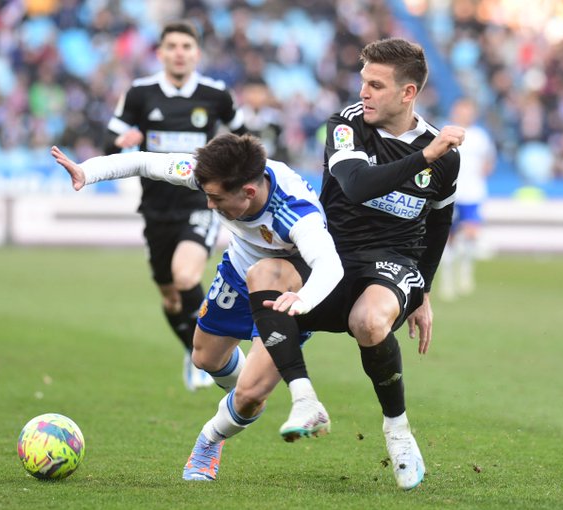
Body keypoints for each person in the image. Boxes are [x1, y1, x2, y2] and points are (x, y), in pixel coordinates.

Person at [179, 37, 465, 491]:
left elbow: (440, 222)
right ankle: (212, 439)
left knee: (369, 321)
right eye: (363, 81)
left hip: (390, 265)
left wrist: (422, 290)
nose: (364, 92)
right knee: (250, 384)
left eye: (376, 85)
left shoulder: (444, 155)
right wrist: (425, 157)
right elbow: (355, 184)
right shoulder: (347, 125)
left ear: (408, 92)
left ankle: (398, 432)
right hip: (327, 258)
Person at [50, 132, 344, 471]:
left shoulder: (295, 214)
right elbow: (145, 162)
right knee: (204, 358)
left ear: (249, 192)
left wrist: (303, 300)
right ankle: (249, 389)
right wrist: (87, 172)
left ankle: (210, 440)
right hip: (239, 272)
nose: (209, 205)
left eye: (216, 198)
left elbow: (331, 265)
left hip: (287, 289)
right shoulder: (210, 173)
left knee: (249, 396)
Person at [103, 21, 247, 392]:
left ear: (197, 53)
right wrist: (122, 141)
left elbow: (246, 138)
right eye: (172, 46)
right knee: (171, 298)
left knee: (186, 277)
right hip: (155, 209)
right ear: (161, 53)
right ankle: (193, 349)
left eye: (186, 46)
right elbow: (109, 144)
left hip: (200, 202)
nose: (179, 53)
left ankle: (217, 355)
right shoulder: (140, 93)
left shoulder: (216, 94)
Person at [439, 97, 496, 300]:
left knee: (471, 233)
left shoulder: (480, 136)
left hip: (473, 193)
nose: (465, 114)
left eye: (469, 110)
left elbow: (489, 161)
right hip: (450, 193)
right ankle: (447, 279)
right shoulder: (444, 131)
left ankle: (465, 273)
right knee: (449, 237)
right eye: (462, 110)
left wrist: (482, 173)